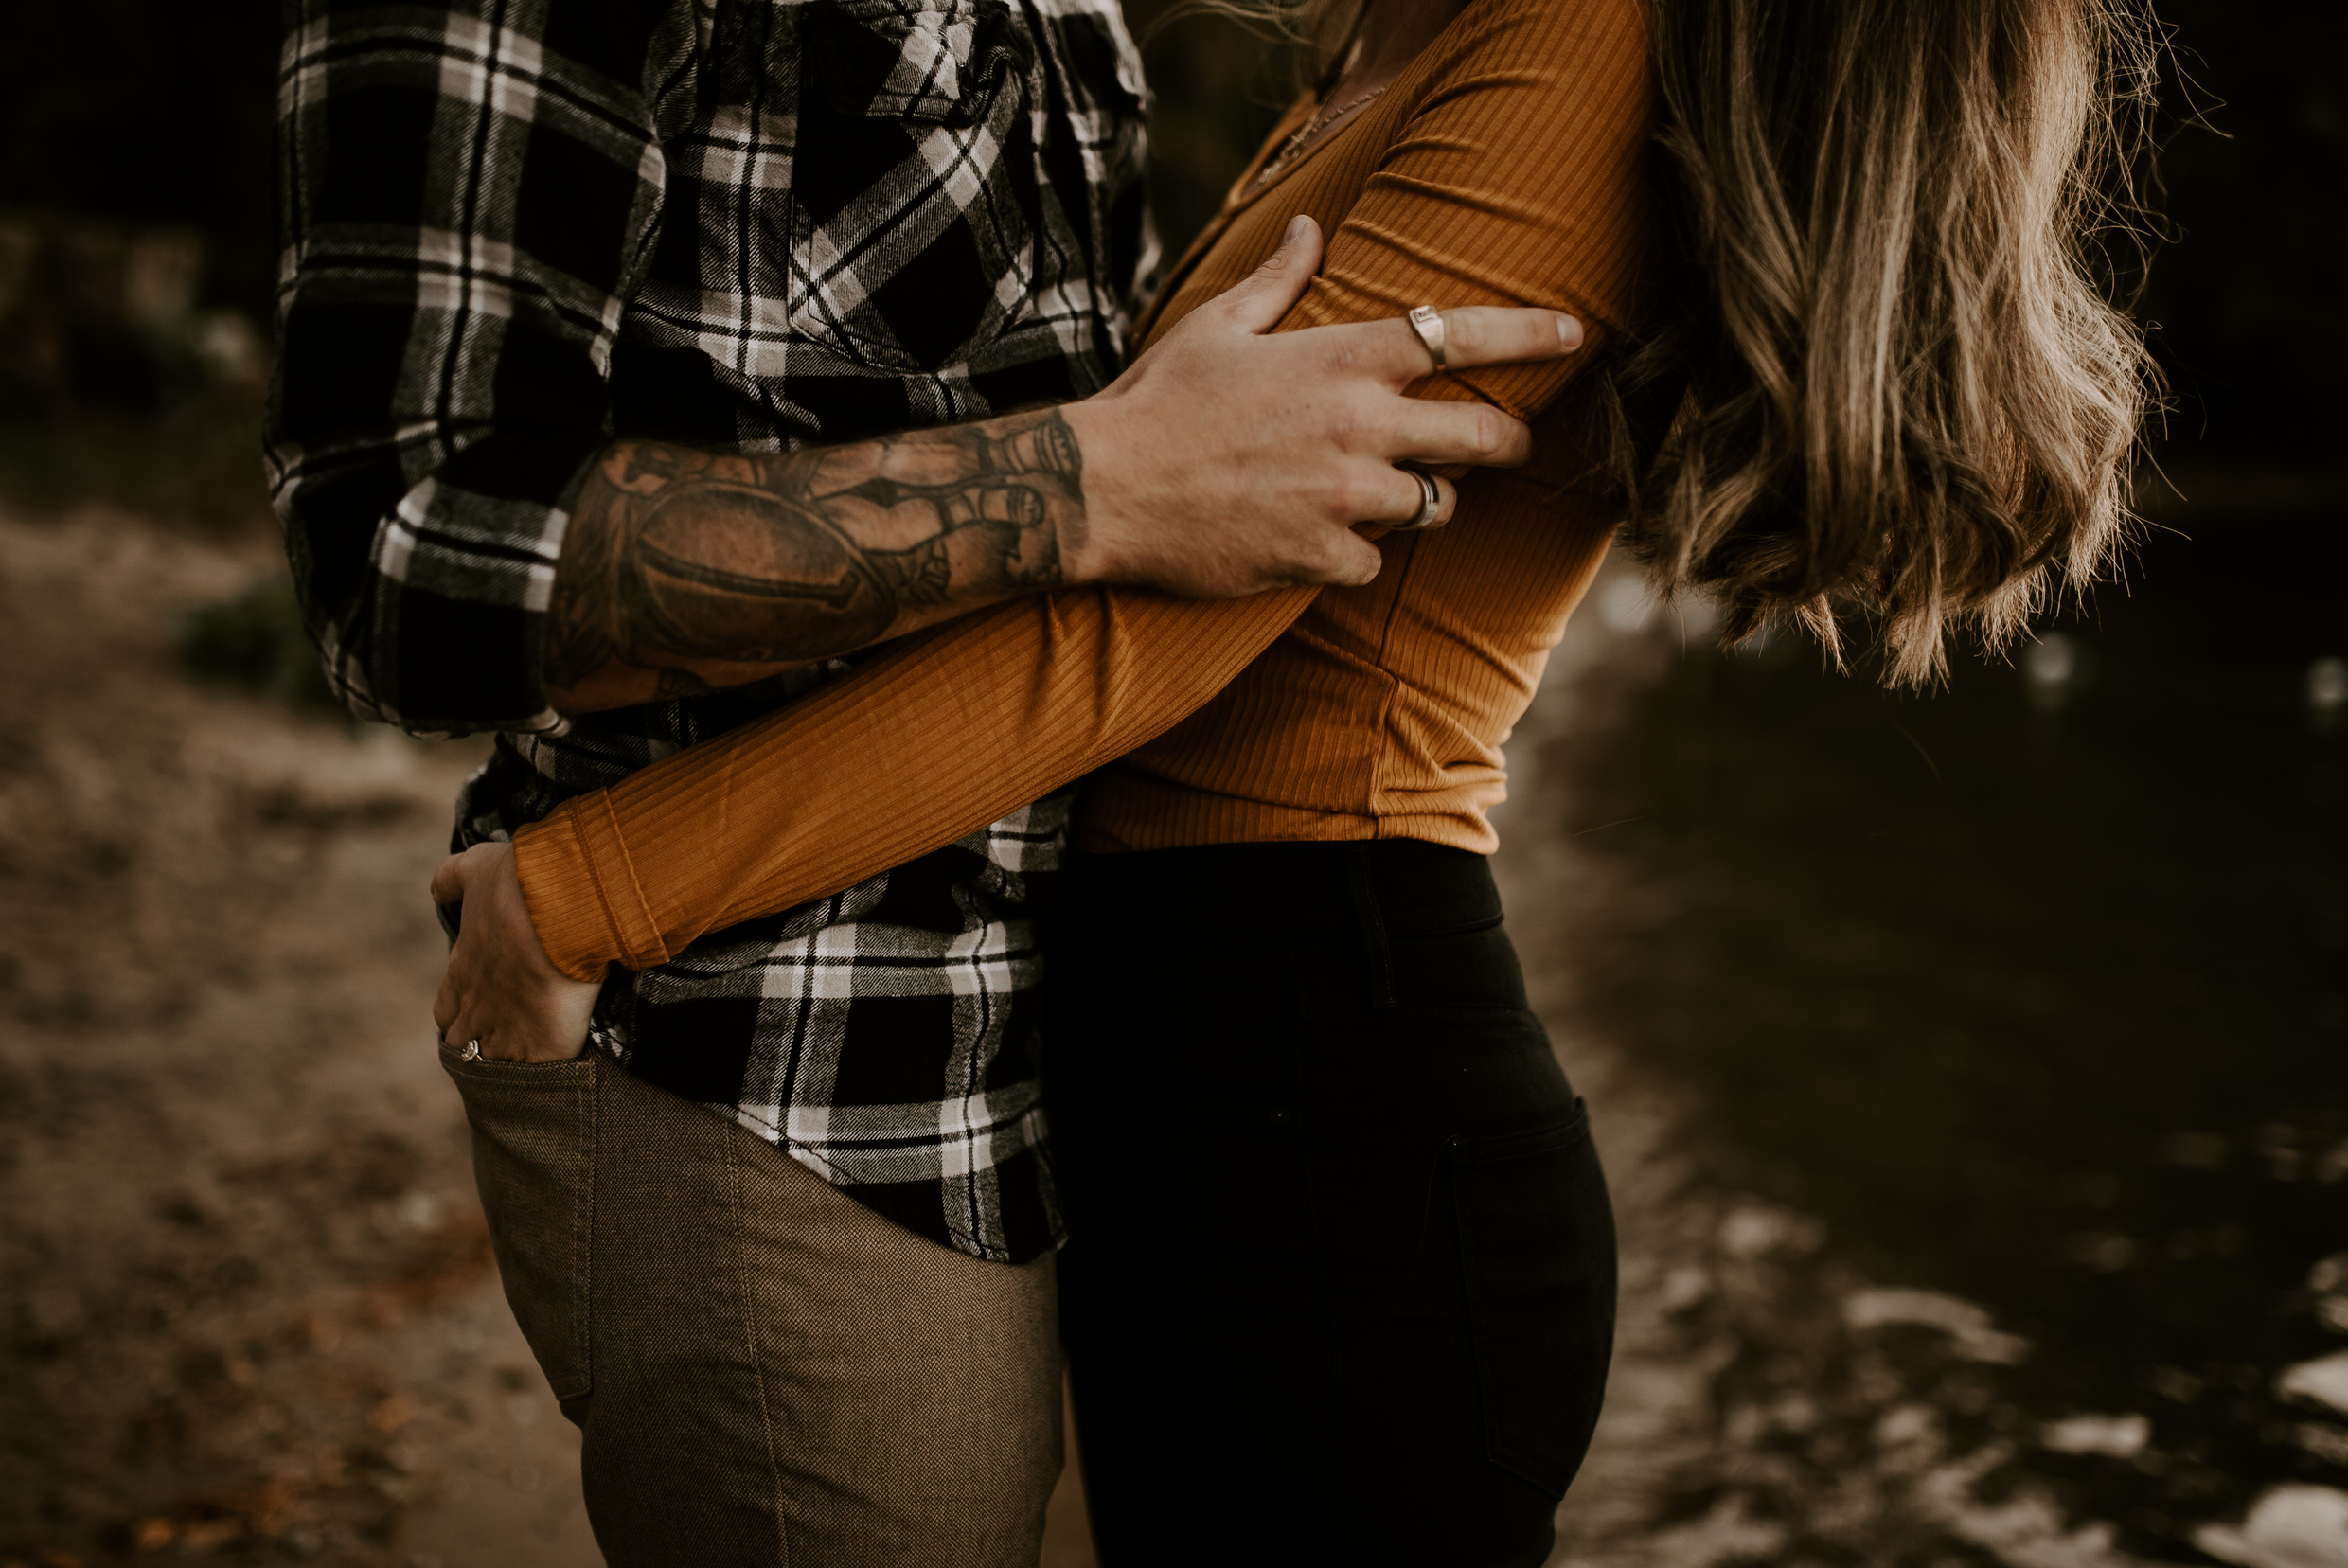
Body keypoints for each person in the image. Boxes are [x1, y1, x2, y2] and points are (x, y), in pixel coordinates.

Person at [425, 0, 2157, 1559]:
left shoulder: (1580, 39)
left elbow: (1152, 632)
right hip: (1207, 1067)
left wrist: (593, 890)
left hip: (1331, 1103)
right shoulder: (1412, 40)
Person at [265, 0, 1586, 1562]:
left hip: (1067, 1069)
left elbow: (1171, 535)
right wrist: (1091, 487)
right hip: (770, 1057)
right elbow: (407, 554)